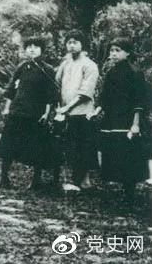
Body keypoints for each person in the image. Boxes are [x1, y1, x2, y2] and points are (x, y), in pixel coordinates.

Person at [0, 36, 60, 190]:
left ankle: (36, 180)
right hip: (17, 111)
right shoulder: (22, 67)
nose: (31, 49)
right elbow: (11, 90)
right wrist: (6, 108)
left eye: (35, 46)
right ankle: (3, 177)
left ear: (42, 50)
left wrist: (46, 113)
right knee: (7, 145)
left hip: (35, 113)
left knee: (37, 147)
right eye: (28, 46)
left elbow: (51, 95)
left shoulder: (47, 69)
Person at [93, 37, 149, 201]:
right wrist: (98, 109)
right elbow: (105, 96)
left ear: (128, 52)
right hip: (112, 118)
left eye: (118, 50)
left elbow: (139, 100)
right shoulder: (111, 72)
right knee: (114, 152)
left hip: (128, 119)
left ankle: (129, 191)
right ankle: (119, 185)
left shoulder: (135, 72)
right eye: (112, 50)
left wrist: (136, 123)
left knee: (128, 154)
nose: (114, 54)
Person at [54, 29, 99, 191]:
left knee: (84, 147)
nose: (71, 46)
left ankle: (85, 180)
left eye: (75, 42)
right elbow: (57, 83)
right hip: (66, 112)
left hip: (82, 112)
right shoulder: (66, 64)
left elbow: (85, 92)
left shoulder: (90, 65)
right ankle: (71, 180)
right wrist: (60, 107)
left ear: (82, 44)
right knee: (69, 146)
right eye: (69, 42)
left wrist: (67, 107)